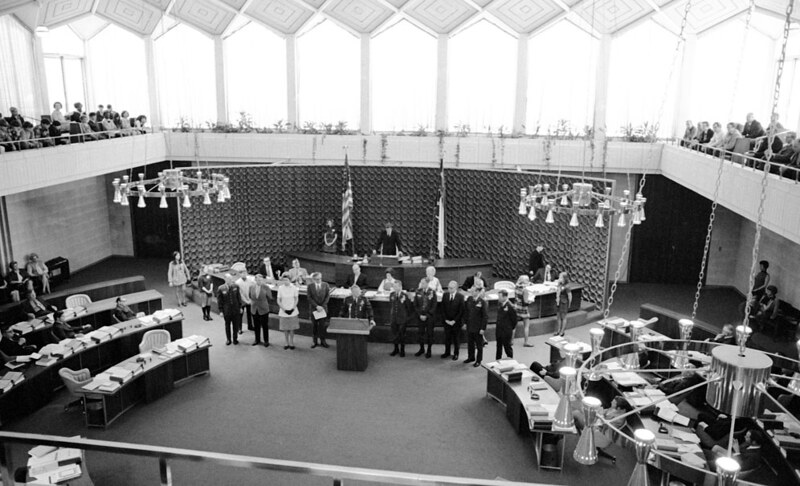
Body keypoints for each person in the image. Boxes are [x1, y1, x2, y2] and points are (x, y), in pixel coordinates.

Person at [440, 280, 465, 360]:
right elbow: (442, 309)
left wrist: (454, 321)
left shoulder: (460, 297)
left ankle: (456, 353)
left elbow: (461, 311)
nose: (449, 289)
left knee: (456, 339)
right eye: (448, 288)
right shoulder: (445, 295)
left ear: (456, 288)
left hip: (456, 322)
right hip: (447, 321)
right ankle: (447, 352)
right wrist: (446, 320)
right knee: (447, 338)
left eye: (451, 288)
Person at [413, 278, 437, 358]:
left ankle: (429, 350)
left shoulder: (432, 292)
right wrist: (420, 315)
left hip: (429, 317)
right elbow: (415, 305)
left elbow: (434, 305)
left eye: (423, 283)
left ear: (427, 283)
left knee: (430, 334)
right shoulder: (418, 291)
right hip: (420, 316)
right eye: (421, 283)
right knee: (420, 333)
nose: (421, 284)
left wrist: (427, 315)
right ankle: (421, 348)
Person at [464, 287, 488, 367]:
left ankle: (478, 360)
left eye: (473, 291)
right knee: (470, 343)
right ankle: (471, 357)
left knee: (479, 345)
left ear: (477, 292)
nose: (471, 292)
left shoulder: (482, 302)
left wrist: (483, 328)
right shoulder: (469, 299)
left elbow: (485, 316)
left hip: (478, 327)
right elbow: (466, 312)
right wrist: (465, 322)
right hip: (470, 326)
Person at [389, 281, 414, 357]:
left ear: (400, 287)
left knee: (402, 335)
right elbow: (391, 304)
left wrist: (406, 317)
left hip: (402, 318)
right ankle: (396, 349)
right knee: (394, 334)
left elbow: (409, 307)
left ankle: (402, 350)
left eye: (396, 286)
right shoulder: (392, 295)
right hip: (394, 318)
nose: (395, 288)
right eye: (394, 286)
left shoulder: (405, 296)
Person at [216, 274, 242, 345]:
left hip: (235, 309)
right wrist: (221, 311)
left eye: (231, 278)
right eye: (228, 279)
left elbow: (238, 297)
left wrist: (240, 307)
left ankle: (235, 339)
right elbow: (219, 301)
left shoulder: (236, 286)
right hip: (227, 310)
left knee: (235, 325)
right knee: (227, 325)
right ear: (225, 279)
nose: (230, 280)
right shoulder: (221, 288)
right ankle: (228, 339)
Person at [307, 272, 330, 348]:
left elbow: (327, 296)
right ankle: (314, 341)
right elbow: (309, 298)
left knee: (322, 326)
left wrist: (322, 306)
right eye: (317, 279)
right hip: (314, 309)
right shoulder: (310, 286)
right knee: (314, 326)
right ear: (313, 279)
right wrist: (317, 306)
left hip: (323, 309)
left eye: (320, 278)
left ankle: (323, 341)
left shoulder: (325, 285)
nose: (319, 280)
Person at [277, 275, 299, 350]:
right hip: (283, 311)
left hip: (292, 310)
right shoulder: (280, 288)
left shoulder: (294, 288)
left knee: (292, 328)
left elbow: (296, 299)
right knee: (285, 328)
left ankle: (291, 342)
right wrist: (283, 309)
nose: (285, 281)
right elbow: (278, 300)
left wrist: (293, 308)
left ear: (290, 280)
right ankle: (286, 342)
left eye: (286, 280)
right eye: (284, 280)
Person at [249, 274, 272, 347]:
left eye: (261, 280)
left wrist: (263, 302)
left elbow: (270, 297)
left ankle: (266, 341)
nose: (260, 281)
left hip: (264, 309)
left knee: (265, 326)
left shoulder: (266, 287)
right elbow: (250, 296)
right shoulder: (251, 287)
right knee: (256, 325)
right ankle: (257, 339)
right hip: (254, 309)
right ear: (255, 280)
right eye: (258, 280)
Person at [495, 289, 517, 360]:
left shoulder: (510, 306)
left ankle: (511, 360)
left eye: (500, 297)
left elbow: (514, 320)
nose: (498, 298)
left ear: (505, 297)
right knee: (498, 347)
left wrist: (509, 328)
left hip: (506, 331)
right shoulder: (499, 304)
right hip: (499, 330)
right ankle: (497, 361)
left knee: (507, 347)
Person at [516, 275, 533, 347]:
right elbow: (525, 302)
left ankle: (511, 341)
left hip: (517, 307)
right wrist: (530, 301)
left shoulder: (516, 287)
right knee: (526, 326)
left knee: (514, 326)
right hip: (524, 310)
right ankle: (526, 342)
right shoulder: (525, 290)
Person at [554, 272, 572, 336]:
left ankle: (562, 331)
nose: (559, 278)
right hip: (559, 302)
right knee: (558, 316)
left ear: (564, 278)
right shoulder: (560, 284)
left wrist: (569, 305)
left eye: (560, 277)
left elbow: (570, 296)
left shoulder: (567, 286)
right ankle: (558, 330)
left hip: (564, 302)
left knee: (563, 317)